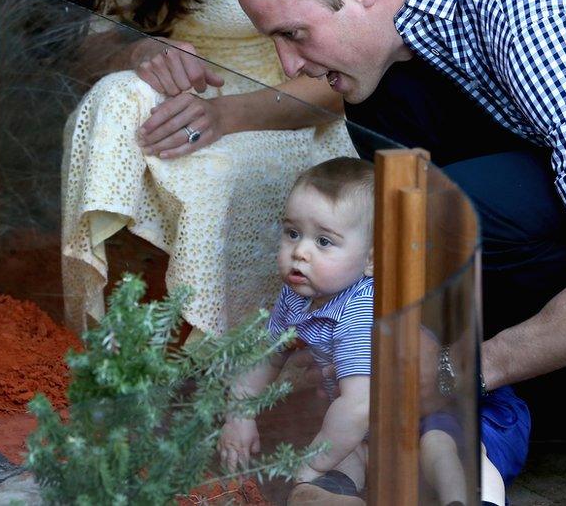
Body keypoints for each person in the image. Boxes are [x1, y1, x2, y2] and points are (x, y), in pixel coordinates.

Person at [231, 0, 566, 492]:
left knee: (447, 211)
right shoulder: (418, 35)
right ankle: (553, 395)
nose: (289, 65)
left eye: (294, 34)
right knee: (389, 132)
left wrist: (455, 374)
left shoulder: (535, 15)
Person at [52, 0, 359, 336]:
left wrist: (225, 115)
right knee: (111, 96)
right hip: (187, 96)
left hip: (291, 106)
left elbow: (350, 73)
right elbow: (88, 50)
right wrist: (137, 51)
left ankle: (221, 342)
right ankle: (97, 323)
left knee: (214, 173)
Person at [218, 157, 512, 505]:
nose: (300, 252)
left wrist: (308, 465)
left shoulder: (361, 311)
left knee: (441, 448)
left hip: (448, 410)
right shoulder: (297, 295)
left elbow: (358, 407)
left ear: (372, 260)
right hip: (374, 431)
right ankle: (334, 495)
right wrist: (240, 413)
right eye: (293, 233)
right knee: (340, 457)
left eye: (324, 241)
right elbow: (267, 356)